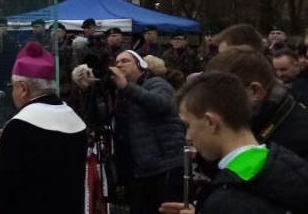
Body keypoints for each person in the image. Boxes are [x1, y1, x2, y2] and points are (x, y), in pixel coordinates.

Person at [159, 71, 308, 214]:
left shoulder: (226, 200)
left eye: (188, 125)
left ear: (210, 122)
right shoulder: (288, 163)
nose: (188, 136)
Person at [0, 41, 86, 214]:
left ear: (23, 88)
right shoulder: (74, 120)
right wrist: (0, 148)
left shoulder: (20, 127)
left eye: (12, 86)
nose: (11, 92)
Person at [109, 50, 185, 214]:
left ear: (141, 65)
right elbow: (101, 117)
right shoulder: (120, 94)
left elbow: (161, 104)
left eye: (125, 61)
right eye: (117, 63)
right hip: (138, 170)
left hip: (165, 167)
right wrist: (86, 90)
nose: (119, 65)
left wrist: (126, 87)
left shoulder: (157, 83)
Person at [206, 47, 308, 161]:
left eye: (221, 94)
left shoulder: (299, 139)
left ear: (255, 91)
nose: (214, 103)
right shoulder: (259, 116)